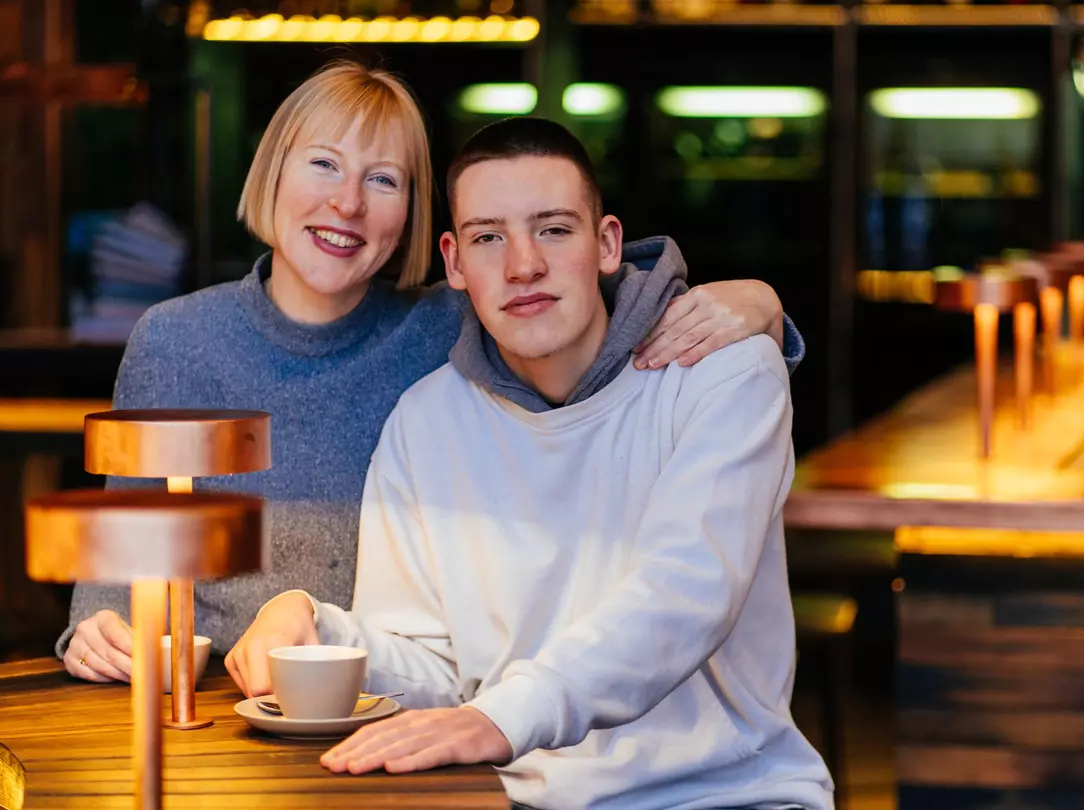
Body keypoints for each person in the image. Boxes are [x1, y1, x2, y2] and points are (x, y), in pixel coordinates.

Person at [57, 60, 805, 683]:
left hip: (392, 697)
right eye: (323, 164)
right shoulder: (176, 340)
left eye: (384, 180)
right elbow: (125, 561)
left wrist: (758, 305)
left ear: (416, 217)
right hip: (220, 701)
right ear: (272, 173)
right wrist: (97, 625)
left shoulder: (444, 325)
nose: (346, 202)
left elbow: (575, 286)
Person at [230, 116, 832, 809]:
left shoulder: (721, 374)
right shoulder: (427, 420)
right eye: (489, 237)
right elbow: (433, 664)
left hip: (724, 796)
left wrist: (497, 719)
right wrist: (314, 626)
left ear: (606, 243)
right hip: (519, 800)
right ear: (454, 263)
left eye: (552, 228)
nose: (523, 265)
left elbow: (682, 595)